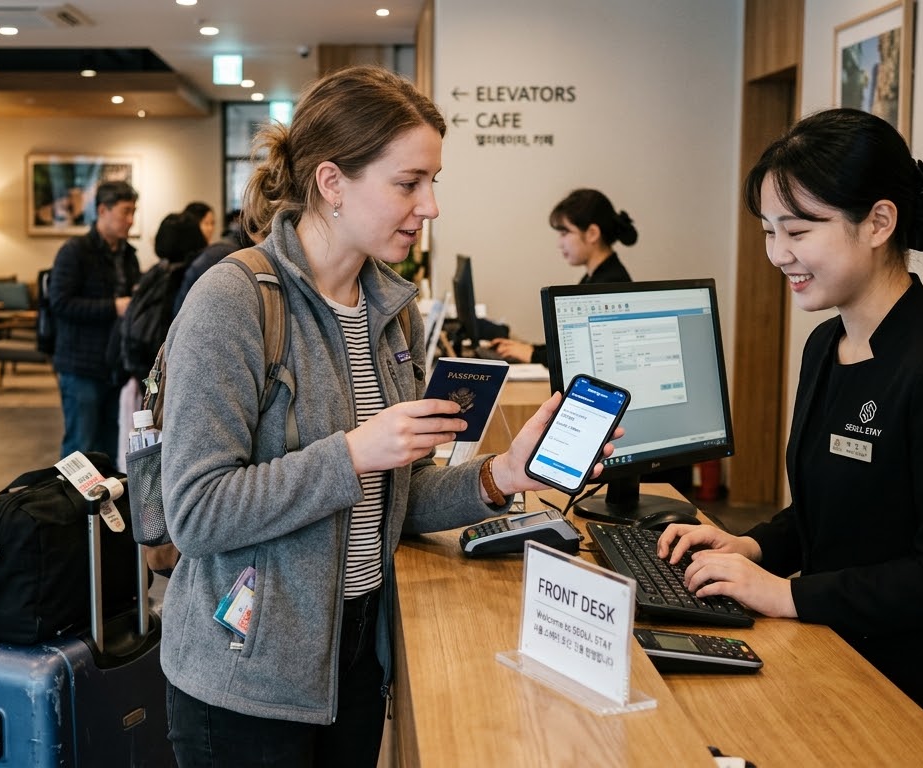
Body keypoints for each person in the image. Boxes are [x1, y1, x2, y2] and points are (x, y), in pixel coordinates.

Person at [158, 65, 618, 768]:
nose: (429, 206)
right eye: (409, 183)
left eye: (435, 181)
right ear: (332, 182)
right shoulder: (234, 301)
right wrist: (350, 453)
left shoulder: (388, 315)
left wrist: (501, 474)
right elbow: (195, 512)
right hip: (246, 682)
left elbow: (391, 501)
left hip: (356, 661)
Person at [657, 108, 923, 767]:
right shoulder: (827, 343)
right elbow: (835, 509)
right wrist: (755, 545)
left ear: (879, 223)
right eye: (770, 231)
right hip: (841, 654)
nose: (778, 253)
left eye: (798, 230)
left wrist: (785, 593)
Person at [487, 188, 637, 364]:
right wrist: (530, 349)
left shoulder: (610, 283)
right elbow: (574, 345)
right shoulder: (596, 276)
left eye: (565, 233)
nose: (560, 243)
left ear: (592, 233)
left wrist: (532, 355)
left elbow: (586, 355)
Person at [49, 180, 141, 459]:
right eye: (125, 211)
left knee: (108, 449)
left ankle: (99, 504)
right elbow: (60, 303)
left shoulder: (128, 255)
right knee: (80, 448)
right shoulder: (74, 251)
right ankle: (74, 504)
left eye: (133, 212)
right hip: (81, 367)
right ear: (103, 210)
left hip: (114, 366)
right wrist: (113, 307)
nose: (130, 220)